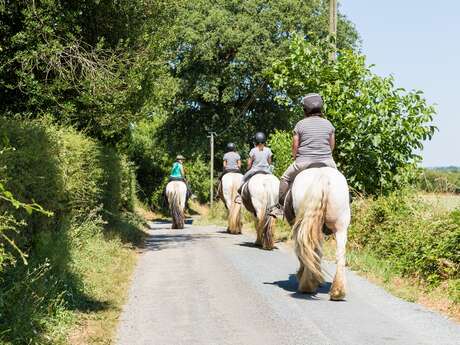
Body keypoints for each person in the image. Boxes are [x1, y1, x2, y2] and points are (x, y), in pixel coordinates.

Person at [269, 93, 337, 217]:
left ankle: (280, 207)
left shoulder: (300, 124)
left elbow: (295, 146)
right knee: (339, 178)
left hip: (303, 162)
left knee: (284, 178)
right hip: (327, 161)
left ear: (305, 110)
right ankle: (347, 199)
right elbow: (331, 146)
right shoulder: (329, 124)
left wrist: (295, 157)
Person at [235, 132, 273, 203]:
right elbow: (270, 162)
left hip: (255, 170)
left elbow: (249, 163)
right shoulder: (268, 150)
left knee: (243, 179)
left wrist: (248, 168)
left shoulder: (253, 150)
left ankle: (239, 196)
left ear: (256, 141)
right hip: (266, 170)